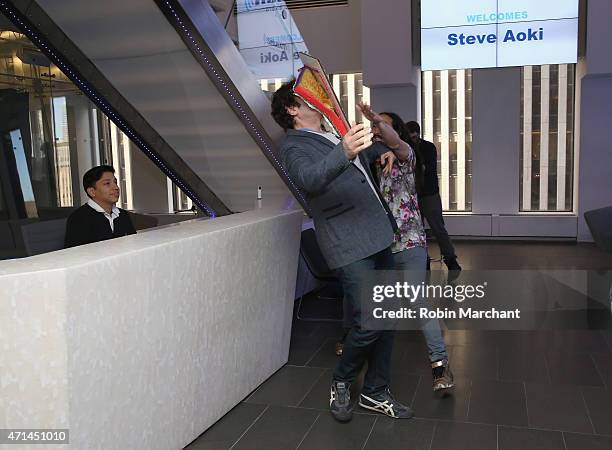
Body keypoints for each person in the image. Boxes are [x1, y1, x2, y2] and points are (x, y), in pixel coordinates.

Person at [271, 80, 413, 423]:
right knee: (370, 320)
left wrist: (386, 142)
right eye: (308, 96)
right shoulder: (293, 145)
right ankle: (342, 379)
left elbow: (399, 152)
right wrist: (344, 151)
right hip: (348, 244)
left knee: (388, 317)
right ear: (292, 109)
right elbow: (309, 178)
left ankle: (376, 392)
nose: (320, 98)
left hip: (379, 235)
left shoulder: (337, 132)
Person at [374, 112, 454, 391]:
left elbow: (400, 145)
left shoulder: (407, 158)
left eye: (382, 124)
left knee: (416, 302)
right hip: (381, 246)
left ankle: (440, 365)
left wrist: (391, 144)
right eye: (374, 125)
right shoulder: (371, 162)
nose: (376, 128)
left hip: (409, 243)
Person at [405, 121, 461, 273]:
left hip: (428, 194)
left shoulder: (428, 148)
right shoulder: (407, 147)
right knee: (419, 231)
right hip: (415, 195)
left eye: (414, 137)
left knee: (438, 229)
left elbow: (424, 169)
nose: (413, 140)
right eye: (411, 137)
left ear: (418, 134)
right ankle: (426, 262)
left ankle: (450, 259)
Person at [64, 165, 136, 248]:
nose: (116, 187)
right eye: (107, 183)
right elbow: (75, 255)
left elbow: (132, 245)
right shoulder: (78, 218)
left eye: (115, 182)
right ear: (92, 191)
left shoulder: (123, 215)